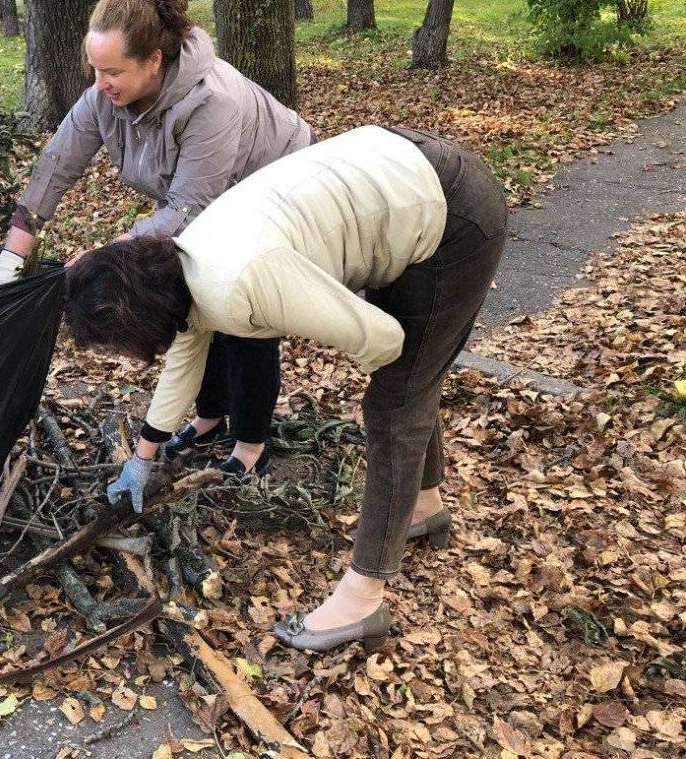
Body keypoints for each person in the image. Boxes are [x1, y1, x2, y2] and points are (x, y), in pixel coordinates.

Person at [64, 125, 508, 652]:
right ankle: (424, 504)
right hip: (400, 178)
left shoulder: (234, 285)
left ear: (131, 322)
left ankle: (363, 596)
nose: (121, 355)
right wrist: (142, 455)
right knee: (410, 385)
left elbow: (384, 339)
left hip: (452, 214)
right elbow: (185, 357)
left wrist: (393, 375)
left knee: (394, 403)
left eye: (115, 345)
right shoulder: (180, 267)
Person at [0, 0, 314, 474]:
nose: (100, 82)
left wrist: (105, 255)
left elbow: (188, 210)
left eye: (113, 71)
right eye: (95, 69)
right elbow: (58, 161)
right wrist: (17, 243)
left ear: (154, 61)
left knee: (246, 313)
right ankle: (209, 415)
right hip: (206, 203)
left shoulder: (213, 102)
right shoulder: (107, 94)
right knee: (195, 300)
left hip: (277, 194)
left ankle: (250, 444)